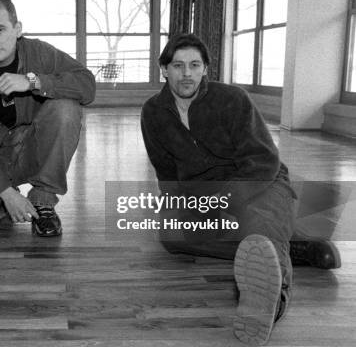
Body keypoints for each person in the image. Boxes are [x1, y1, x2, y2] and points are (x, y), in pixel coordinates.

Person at [140, 33, 340, 346]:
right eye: (177, 65)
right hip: (204, 192)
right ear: (164, 70)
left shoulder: (232, 99)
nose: (186, 73)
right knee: (171, 234)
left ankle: (269, 304)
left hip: (260, 181)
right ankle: (290, 247)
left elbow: (263, 160)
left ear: (206, 68)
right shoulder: (152, 113)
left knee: (255, 220)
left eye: (194, 65)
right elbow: (165, 170)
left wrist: (228, 200)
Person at [0, 0, 95, 237]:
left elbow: (87, 86)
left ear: (17, 29)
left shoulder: (40, 53)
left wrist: (33, 81)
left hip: (34, 147)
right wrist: (6, 192)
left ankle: (43, 202)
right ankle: (8, 197)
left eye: (0, 29)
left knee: (66, 108)